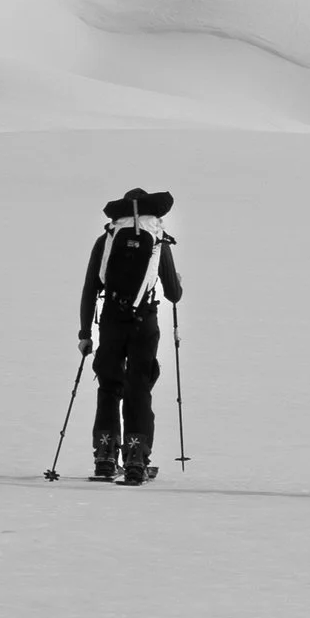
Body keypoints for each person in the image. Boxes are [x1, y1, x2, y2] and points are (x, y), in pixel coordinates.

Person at [80, 184, 183, 483]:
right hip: (144, 323)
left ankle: (105, 456)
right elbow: (173, 294)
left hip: (111, 319)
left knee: (109, 385)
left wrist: (85, 332)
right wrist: (177, 280)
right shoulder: (157, 241)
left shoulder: (108, 239)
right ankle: (136, 459)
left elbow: (90, 288)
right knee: (139, 386)